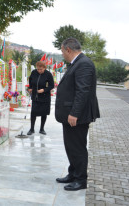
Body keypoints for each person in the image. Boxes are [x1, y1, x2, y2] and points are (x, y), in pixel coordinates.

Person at [55, 38, 100, 191]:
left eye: (62, 51)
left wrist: (74, 113)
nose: (63, 55)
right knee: (71, 146)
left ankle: (81, 180)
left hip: (76, 116)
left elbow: (83, 91)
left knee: (77, 147)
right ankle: (73, 173)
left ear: (68, 49)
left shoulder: (84, 64)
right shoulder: (77, 63)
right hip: (70, 114)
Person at [27, 61, 54, 135]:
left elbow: (51, 85)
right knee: (33, 112)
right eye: (38, 69)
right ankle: (32, 129)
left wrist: (44, 90)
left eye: (41, 69)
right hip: (35, 96)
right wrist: (30, 87)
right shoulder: (34, 72)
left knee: (43, 113)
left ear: (44, 68)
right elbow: (30, 81)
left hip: (45, 97)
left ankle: (42, 129)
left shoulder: (48, 74)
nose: (39, 71)